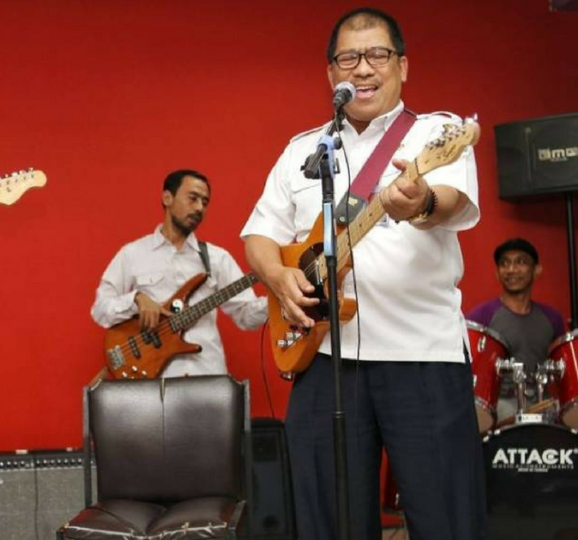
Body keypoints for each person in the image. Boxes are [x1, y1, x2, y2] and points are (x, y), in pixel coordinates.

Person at [241, 8, 484, 540]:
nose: (363, 68)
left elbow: (453, 202)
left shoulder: (435, 132)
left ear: (403, 65)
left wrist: (420, 202)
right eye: (348, 57)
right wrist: (279, 280)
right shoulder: (303, 150)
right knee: (327, 522)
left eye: (378, 55)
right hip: (326, 360)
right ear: (331, 74)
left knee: (447, 517)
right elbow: (259, 234)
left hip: (421, 357)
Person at [91, 169, 267, 377]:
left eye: (205, 202)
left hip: (207, 377)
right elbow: (100, 310)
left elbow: (247, 316)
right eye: (193, 198)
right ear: (167, 198)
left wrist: (280, 296)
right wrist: (136, 300)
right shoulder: (132, 254)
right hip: (154, 381)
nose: (200, 208)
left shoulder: (217, 258)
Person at [467, 238, 565, 420]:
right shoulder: (480, 316)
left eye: (520, 262)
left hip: (543, 401)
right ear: (497, 273)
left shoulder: (552, 318)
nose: (511, 269)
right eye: (504, 263)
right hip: (499, 404)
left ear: (536, 271)